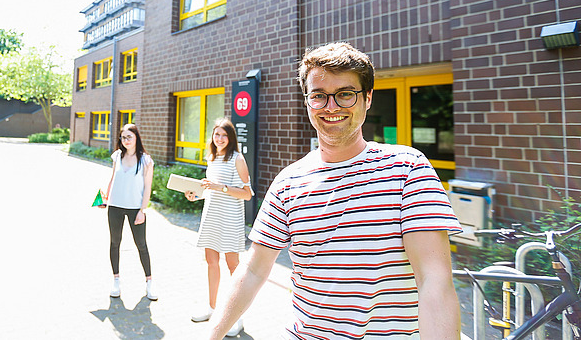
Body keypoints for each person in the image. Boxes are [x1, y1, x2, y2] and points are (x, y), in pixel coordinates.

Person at [208, 42, 462, 339]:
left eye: (345, 94)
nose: (332, 107)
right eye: (319, 96)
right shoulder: (288, 182)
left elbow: (434, 281)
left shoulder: (408, 169)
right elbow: (252, 270)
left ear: (367, 99)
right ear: (307, 101)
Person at [185, 118, 253, 336]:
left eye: (224, 135)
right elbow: (209, 190)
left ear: (230, 137)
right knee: (211, 262)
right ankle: (212, 308)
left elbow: (247, 193)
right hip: (211, 216)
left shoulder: (237, 159)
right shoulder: (212, 158)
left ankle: (237, 317)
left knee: (234, 266)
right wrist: (195, 196)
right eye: (216, 135)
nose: (220, 139)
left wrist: (220, 187)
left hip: (231, 218)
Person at [99, 123, 157, 301]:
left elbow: (147, 187)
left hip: (135, 209)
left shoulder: (146, 160)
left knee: (141, 245)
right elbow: (113, 178)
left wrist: (142, 210)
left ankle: (149, 282)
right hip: (115, 206)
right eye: (123, 138)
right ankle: (116, 281)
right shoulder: (117, 155)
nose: (125, 141)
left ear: (136, 138)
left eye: (129, 137)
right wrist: (105, 198)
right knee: (114, 242)